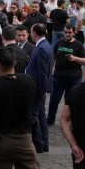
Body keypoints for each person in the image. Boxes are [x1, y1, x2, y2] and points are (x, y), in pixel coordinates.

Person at [47, 24, 85, 127]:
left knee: (71, 102)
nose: (67, 34)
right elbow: (53, 57)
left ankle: (69, 121)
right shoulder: (59, 43)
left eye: (69, 32)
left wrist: (75, 59)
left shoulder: (78, 45)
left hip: (74, 79)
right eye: (65, 32)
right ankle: (50, 120)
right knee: (53, 100)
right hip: (58, 77)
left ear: (73, 32)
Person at [27, 23, 55, 153]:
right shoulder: (45, 46)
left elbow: (43, 71)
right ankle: (44, 142)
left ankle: (39, 144)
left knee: (34, 116)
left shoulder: (42, 48)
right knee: (41, 115)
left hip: (38, 88)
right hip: (40, 87)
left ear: (34, 33)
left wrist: (42, 90)